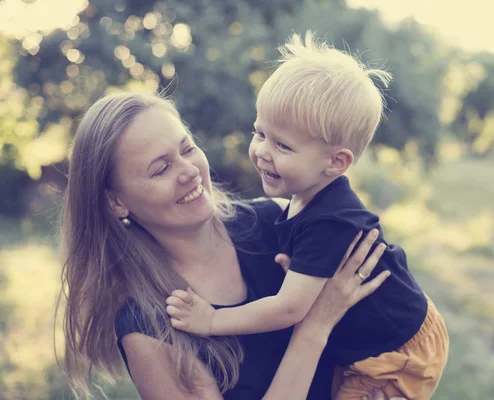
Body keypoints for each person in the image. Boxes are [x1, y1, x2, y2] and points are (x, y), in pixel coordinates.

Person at [57, 91, 398, 400]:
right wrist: (316, 326)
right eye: (161, 168)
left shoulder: (277, 223)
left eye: (187, 148)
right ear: (116, 202)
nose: (189, 170)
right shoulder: (148, 327)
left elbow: (391, 317)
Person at [167, 32, 449, 400]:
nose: (262, 152)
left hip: (399, 349)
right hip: (370, 342)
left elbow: (287, 309)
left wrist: (211, 320)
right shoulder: (304, 201)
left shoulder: (330, 220)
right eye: (260, 133)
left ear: (336, 162)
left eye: (283, 145)